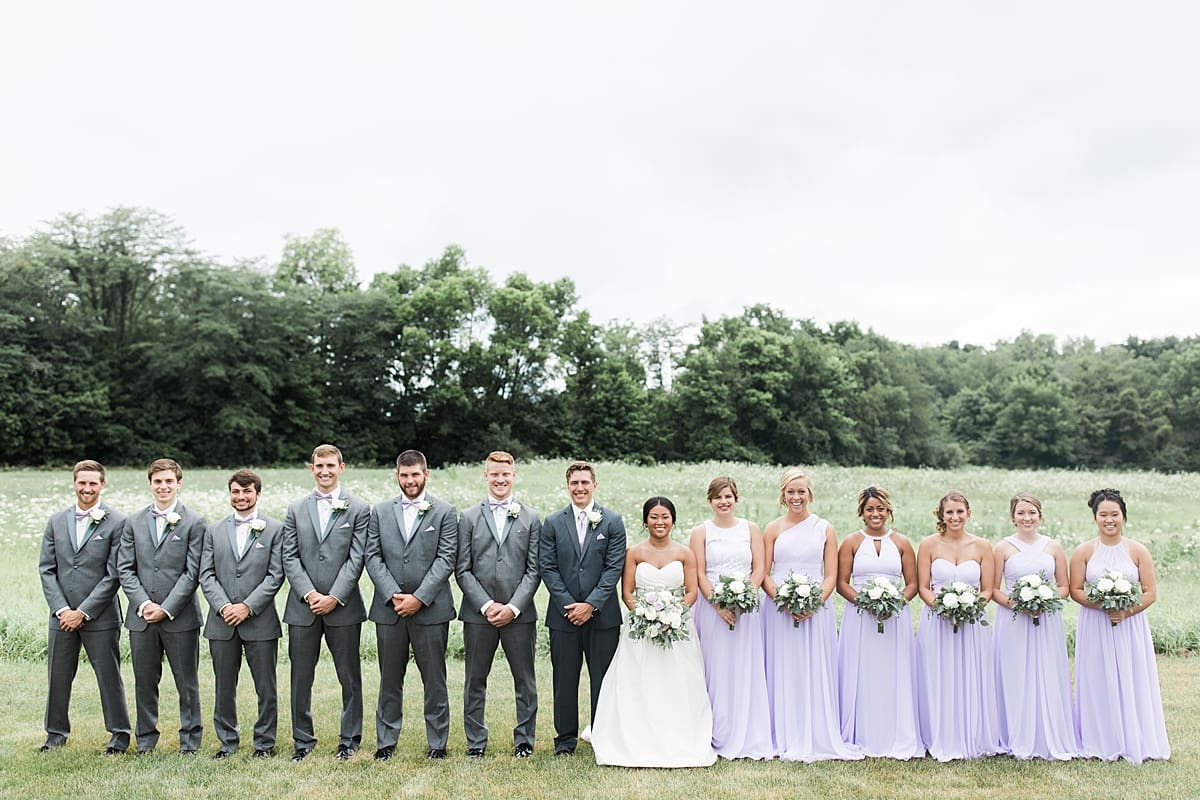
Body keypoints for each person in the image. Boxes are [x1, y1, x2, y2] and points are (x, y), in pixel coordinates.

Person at [592, 497, 716, 767]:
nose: (659, 522)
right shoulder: (634, 553)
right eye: (654, 517)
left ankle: (680, 734)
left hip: (677, 625)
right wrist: (646, 614)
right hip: (640, 626)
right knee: (637, 679)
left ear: (673, 520)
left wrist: (671, 613)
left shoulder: (685, 553)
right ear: (645, 520)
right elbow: (627, 593)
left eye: (665, 517)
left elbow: (692, 592)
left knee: (678, 679)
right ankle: (634, 735)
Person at [762, 469, 861, 761]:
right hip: (779, 607)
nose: (796, 497)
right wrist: (783, 598)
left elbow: (830, 575)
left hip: (817, 608)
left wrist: (814, 601)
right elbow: (764, 572)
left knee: (813, 665)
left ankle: (816, 729)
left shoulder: (825, 528)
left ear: (810, 494)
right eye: (791, 492)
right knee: (782, 665)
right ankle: (782, 731)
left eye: (801, 492)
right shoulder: (772, 529)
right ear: (783, 495)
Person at [365, 450, 458, 761]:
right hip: (389, 611)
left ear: (426, 474)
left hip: (431, 610)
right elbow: (373, 557)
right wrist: (393, 594)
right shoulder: (379, 512)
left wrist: (419, 598)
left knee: (434, 678)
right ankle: (386, 742)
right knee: (389, 678)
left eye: (415, 474)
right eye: (404, 475)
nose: (410, 481)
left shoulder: (444, 512)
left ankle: (437, 743)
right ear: (397, 476)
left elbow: (446, 559)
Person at [281, 444, 370, 762]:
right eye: (319, 465)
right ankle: (302, 740)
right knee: (300, 676)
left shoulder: (359, 509)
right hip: (302, 607)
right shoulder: (295, 509)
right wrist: (309, 593)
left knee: (349, 675)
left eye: (330, 465)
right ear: (311, 468)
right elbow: (289, 556)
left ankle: (349, 739)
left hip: (343, 606)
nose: (325, 470)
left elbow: (357, 557)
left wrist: (334, 596)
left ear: (341, 468)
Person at [38, 459, 131, 755]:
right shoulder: (56, 521)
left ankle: (119, 735)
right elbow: (47, 569)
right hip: (61, 615)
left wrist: (84, 611)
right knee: (58, 676)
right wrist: (62, 609)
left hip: (100, 615)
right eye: (82, 482)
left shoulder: (117, 522)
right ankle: (55, 734)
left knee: (109, 676)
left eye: (93, 483)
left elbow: (114, 573)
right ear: (74, 483)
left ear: (102, 485)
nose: (87, 488)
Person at [1070, 488, 1170, 763]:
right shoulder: (1083, 551)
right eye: (1103, 515)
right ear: (1095, 517)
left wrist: (1126, 612)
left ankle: (1134, 737)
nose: (1109, 520)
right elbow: (1075, 589)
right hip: (1095, 624)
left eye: (1115, 514)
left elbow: (1150, 592)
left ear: (1124, 516)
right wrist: (1101, 605)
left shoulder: (1138, 550)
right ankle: (1099, 738)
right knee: (1097, 676)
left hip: (1130, 625)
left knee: (1132, 675)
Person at [455, 451, 541, 759]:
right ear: (486, 476)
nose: (500, 479)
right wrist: (487, 604)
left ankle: (524, 741)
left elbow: (534, 570)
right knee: (475, 680)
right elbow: (461, 568)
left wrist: (513, 607)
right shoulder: (467, 517)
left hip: (520, 615)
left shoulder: (530, 517)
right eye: (494, 474)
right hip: (479, 615)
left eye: (505, 474)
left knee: (525, 680)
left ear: (514, 475)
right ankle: (475, 742)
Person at [117, 457, 207, 755]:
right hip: (141, 618)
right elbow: (125, 569)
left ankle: (190, 741)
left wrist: (166, 607)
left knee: (187, 682)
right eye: (158, 481)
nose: (164, 486)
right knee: (144, 681)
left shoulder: (194, 522)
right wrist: (143, 604)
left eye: (169, 481)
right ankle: (145, 740)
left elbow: (192, 572)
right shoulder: (132, 521)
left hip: (180, 617)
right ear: (150, 484)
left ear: (178, 483)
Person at [539, 460, 627, 756]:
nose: (579, 488)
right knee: (564, 679)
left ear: (594, 485)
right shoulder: (552, 522)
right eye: (574, 483)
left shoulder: (612, 521)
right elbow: (547, 568)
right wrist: (569, 604)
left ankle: (602, 735)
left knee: (602, 678)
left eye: (584, 482)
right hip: (563, 616)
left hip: (603, 616)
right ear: (568, 486)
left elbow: (614, 568)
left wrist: (590, 605)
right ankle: (565, 741)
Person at [198, 470, 285, 760]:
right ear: (230, 493)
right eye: (236, 492)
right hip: (221, 622)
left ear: (258, 494)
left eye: (247, 492)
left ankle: (264, 743)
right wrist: (224, 606)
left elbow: (275, 575)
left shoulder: (274, 529)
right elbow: (206, 574)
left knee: (266, 687)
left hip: (260, 621)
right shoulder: (213, 530)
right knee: (223, 686)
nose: (241, 497)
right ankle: (227, 742)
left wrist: (247, 606)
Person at [688, 476, 773, 760]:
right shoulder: (701, 532)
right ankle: (715, 730)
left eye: (728, 496)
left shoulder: (751, 528)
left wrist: (743, 598)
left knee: (744, 665)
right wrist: (717, 604)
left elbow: (759, 568)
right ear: (710, 501)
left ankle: (747, 730)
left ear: (736, 499)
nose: (723, 502)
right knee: (715, 667)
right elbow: (699, 573)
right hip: (711, 608)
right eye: (718, 497)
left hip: (746, 610)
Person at [835, 485, 922, 760]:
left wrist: (895, 602)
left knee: (892, 671)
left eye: (881, 509)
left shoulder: (902, 543)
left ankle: (895, 732)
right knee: (862, 671)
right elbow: (841, 583)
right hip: (860, 618)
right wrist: (865, 602)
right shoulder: (850, 542)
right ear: (862, 512)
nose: (876, 514)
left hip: (895, 618)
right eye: (870, 509)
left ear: (888, 511)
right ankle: (861, 732)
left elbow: (913, 584)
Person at [914, 490, 1002, 761]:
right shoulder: (928, 545)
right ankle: (937, 734)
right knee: (937, 674)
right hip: (936, 620)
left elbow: (987, 589)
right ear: (941, 514)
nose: (954, 517)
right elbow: (923, 588)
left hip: (972, 621)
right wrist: (942, 608)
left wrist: (969, 607)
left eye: (959, 512)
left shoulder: (982, 546)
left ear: (968, 513)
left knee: (970, 673)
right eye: (949, 512)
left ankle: (972, 733)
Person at [991, 493, 1077, 760]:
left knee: (1047, 670)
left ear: (1040, 515)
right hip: (1013, 619)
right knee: (1015, 671)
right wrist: (1018, 604)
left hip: (1047, 619)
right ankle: (1014, 733)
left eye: (1031, 513)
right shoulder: (1002, 548)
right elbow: (993, 589)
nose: (1026, 518)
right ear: (1012, 516)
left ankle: (1048, 733)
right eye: (1021, 513)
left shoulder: (1053, 547)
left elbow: (1064, 586)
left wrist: (1046, 600)